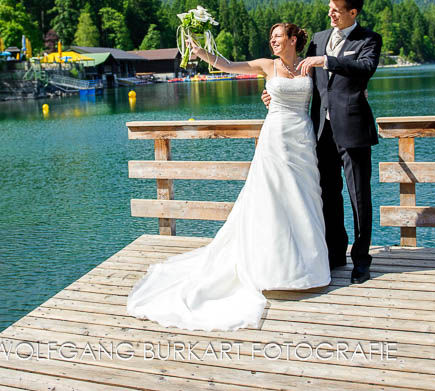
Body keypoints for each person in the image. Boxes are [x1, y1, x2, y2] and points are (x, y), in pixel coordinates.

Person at [126, 23, 330, 332]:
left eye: (277, 37)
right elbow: (228, 66)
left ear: (292, 40)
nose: (273, 42)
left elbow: (329, 91)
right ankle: (272, 269)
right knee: (273, 201)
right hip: (275, 138)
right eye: (271, 38)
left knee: (304, 199)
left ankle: (307, 269)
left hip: (302, 139)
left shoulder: (309, 66)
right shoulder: (267, 65)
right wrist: (200, 51)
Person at [265, 0, 382, 285]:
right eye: (329, 7)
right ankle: (334, 253)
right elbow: (298, 73)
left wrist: (327, 61)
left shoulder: (369, 40)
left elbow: (364, 68)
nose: (330, 13)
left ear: (352, 12)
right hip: (320, 132)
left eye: (336, 9)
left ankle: (361, 260)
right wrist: (274, 96)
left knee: (359, 197)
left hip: (353, 129)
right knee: (328, 194)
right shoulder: (318, 39)